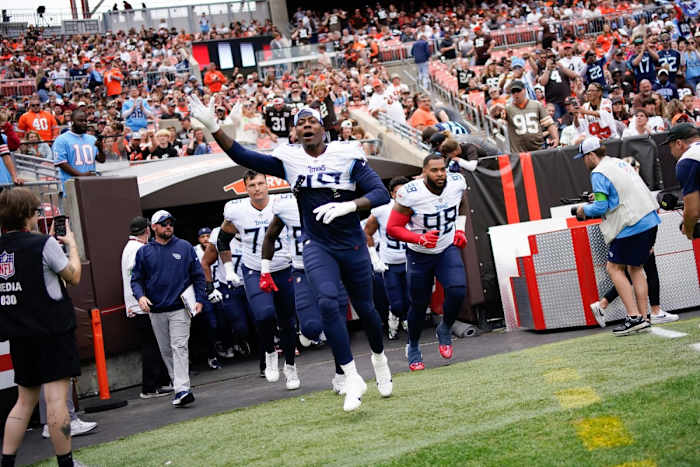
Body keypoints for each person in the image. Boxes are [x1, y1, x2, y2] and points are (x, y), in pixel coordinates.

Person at [189, 98, 392, 412]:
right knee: (326, 302)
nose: (306, 126)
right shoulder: (288, 158)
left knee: (366, 309)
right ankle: (351, 376)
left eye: (312, 121)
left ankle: (379, 360)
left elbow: (381, 192)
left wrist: (349, 205)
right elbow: (242, 154)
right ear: (294, 133)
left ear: (323, 127)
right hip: (317, 243)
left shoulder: (346, 153)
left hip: (350, 241)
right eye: (301, 123)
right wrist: (214, 127)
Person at [0, 188, 83, 467]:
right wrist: (71, 245)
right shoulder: (42, 244)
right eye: (36, 211)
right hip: (52, 332)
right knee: (56, 399)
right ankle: (66, 463)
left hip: (19, 333)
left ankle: (7, 462)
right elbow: (73, 276)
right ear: (26, 214)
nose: (38, 215)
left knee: (24, 402)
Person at [260, 193, 353, 394]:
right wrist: (265, 268)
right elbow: (270, 236)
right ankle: (312, 330)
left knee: (338, 326)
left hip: (330, 268)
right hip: (302, 269)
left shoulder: (331, 200)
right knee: (311, 328)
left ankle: (341, 374)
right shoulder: (284, 206)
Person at [385, 154, 468, 370]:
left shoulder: (457, 182)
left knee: (458, 289)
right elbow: (392, 228)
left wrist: (460, 228)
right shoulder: (411, 194)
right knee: (419, 305)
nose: (440, 174)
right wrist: (418, 238)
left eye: (442, 169)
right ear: (424, 172)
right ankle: (413, 345)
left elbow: (462, 203)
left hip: (446, 247)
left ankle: (445, 328)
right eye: (434, 170)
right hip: (419, 254)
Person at [216, 172, 299, 387]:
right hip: (254, 269)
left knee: (288, 321)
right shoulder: (237, 210)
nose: (257, 188)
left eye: (261, 183)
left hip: (282, 268)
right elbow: (222, 240)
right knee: (263, 315)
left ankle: (290, 367)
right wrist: (228, 269)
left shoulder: (282, 205)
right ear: (245, 188)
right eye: (252, 185)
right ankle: (270, 353)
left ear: (268, 185)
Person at [574, 137, 660, 336]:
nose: (584, 162)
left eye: (583, 158)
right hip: (649, 218)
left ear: (591, 155)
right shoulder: (619, 162)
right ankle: (643, 317)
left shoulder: (598, 173)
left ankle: (633, 317)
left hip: (631, 224)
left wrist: (582, 210)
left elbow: (601, 207)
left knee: (613, 268)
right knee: (636, 268)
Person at [589, 158, 678, 326]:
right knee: (636, 270)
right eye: (634, 167)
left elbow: (603, 205)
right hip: (639, 226)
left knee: (631, 270)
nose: (635, 170)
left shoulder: (621, 179)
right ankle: (649, 313)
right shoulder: (630, 181)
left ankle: (636, 313)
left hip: (633, 227)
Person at [131, 210, 206, 407]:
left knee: (179, 346)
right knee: (166, 350)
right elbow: (136, 279)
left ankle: (182, 388)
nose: (168, 227)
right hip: (156, 310)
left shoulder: (184, 247)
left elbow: (198, 275)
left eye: (170, 223)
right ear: (153, 227)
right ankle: (179, 387)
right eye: (163, 224)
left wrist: (200, 298)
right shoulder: (144, 252)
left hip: (180, 308)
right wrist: (140, 297)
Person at [120, 216, 172, 398]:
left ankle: (160, 382)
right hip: (143, 305)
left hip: (137, 304)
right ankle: (151, 387)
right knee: (152, 346)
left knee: (153, 345)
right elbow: (143, 278)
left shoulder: (129, 248)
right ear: (148, 230)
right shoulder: (139, 249)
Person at [363, 176, 410, 340]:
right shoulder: (382, 210)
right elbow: (367, 233)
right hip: (390, 263)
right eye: (398, 192)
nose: (401, 195)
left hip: (411, 261)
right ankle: (395, 315)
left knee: (411, 299)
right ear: (391, 194)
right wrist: (374, 258)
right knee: (397, 303)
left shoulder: (417, 206)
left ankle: (405, 319)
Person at [52, 109, 106, 193]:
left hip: (91, 184)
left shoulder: (92, 138)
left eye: (85, 121)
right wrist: (81, 175)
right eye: (80, 121)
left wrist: (100, 149)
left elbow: (101, 160)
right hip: (71, 185)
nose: (84, 123)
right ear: (72, 121)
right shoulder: (61, 139)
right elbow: (61, 163)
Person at [663, 123, 700, 241]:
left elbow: (692, 211)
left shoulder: (687, 160)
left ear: (679, 143)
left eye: (670, 147)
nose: (671, 152)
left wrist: (688, 230)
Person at [505, 80, 558, 152]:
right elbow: (495, 117)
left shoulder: (536, 105)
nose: (516, 94)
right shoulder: (508, 108)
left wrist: (555, 138)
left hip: (538, 148)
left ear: (524, 90)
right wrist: (496, 108)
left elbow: (549, 123)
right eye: (513, 92)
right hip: (519, 151)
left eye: (518, 91)